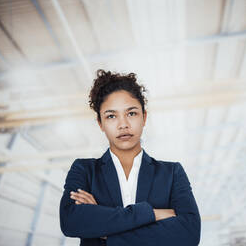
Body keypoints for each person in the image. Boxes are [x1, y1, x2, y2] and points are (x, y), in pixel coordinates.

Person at [59, 70, 201, 246]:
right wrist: (152, 214)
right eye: (111, 116)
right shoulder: (84, 170)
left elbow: (189, 233)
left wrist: (105, 231)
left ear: (144, 117)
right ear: (100, 124)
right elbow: (71, 221)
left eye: (131, 113)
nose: (123, 124)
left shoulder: (172, 173)